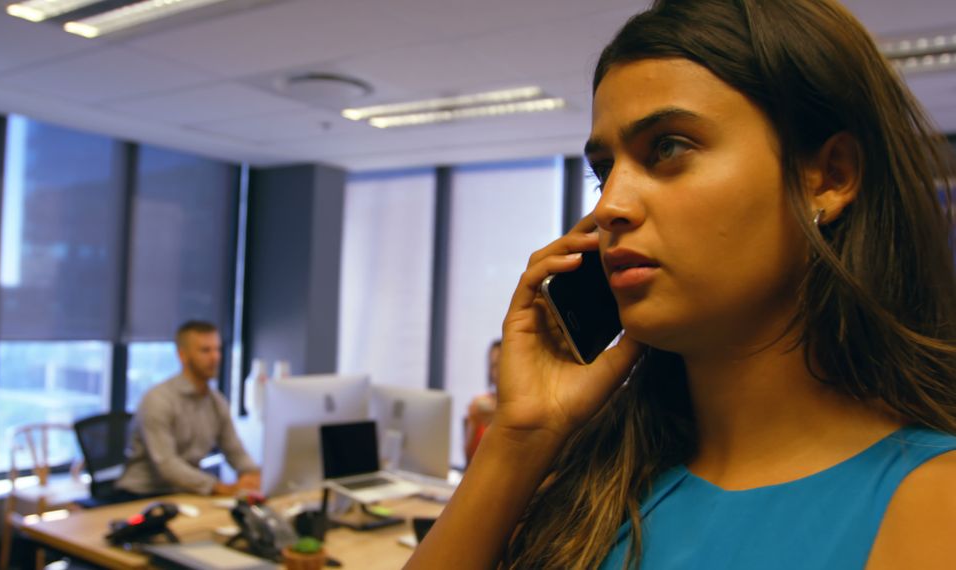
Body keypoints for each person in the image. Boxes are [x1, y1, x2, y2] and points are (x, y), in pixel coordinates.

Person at [407, 0, 956, 568]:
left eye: (668, 148)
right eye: (604, 170)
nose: (610, 206)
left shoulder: (933, 503)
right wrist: (522, 435)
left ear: (830, 176)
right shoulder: (586, 485)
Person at [115, 320, 261, 498]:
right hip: (143, 494)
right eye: (205, 350)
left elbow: (234, 450)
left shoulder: (216, 402)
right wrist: (219, 487)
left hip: (186, 493)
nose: (215, 357)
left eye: (217, 349)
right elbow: (167, 465)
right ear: (182, 355)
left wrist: (252, 474)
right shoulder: (158, 400)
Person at [464, 340, 502, 464]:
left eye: (502, 364)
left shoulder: (522, 412)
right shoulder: (479, 405)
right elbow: (468, 459)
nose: (498, 371)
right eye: (493, 365)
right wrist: (474, 424)